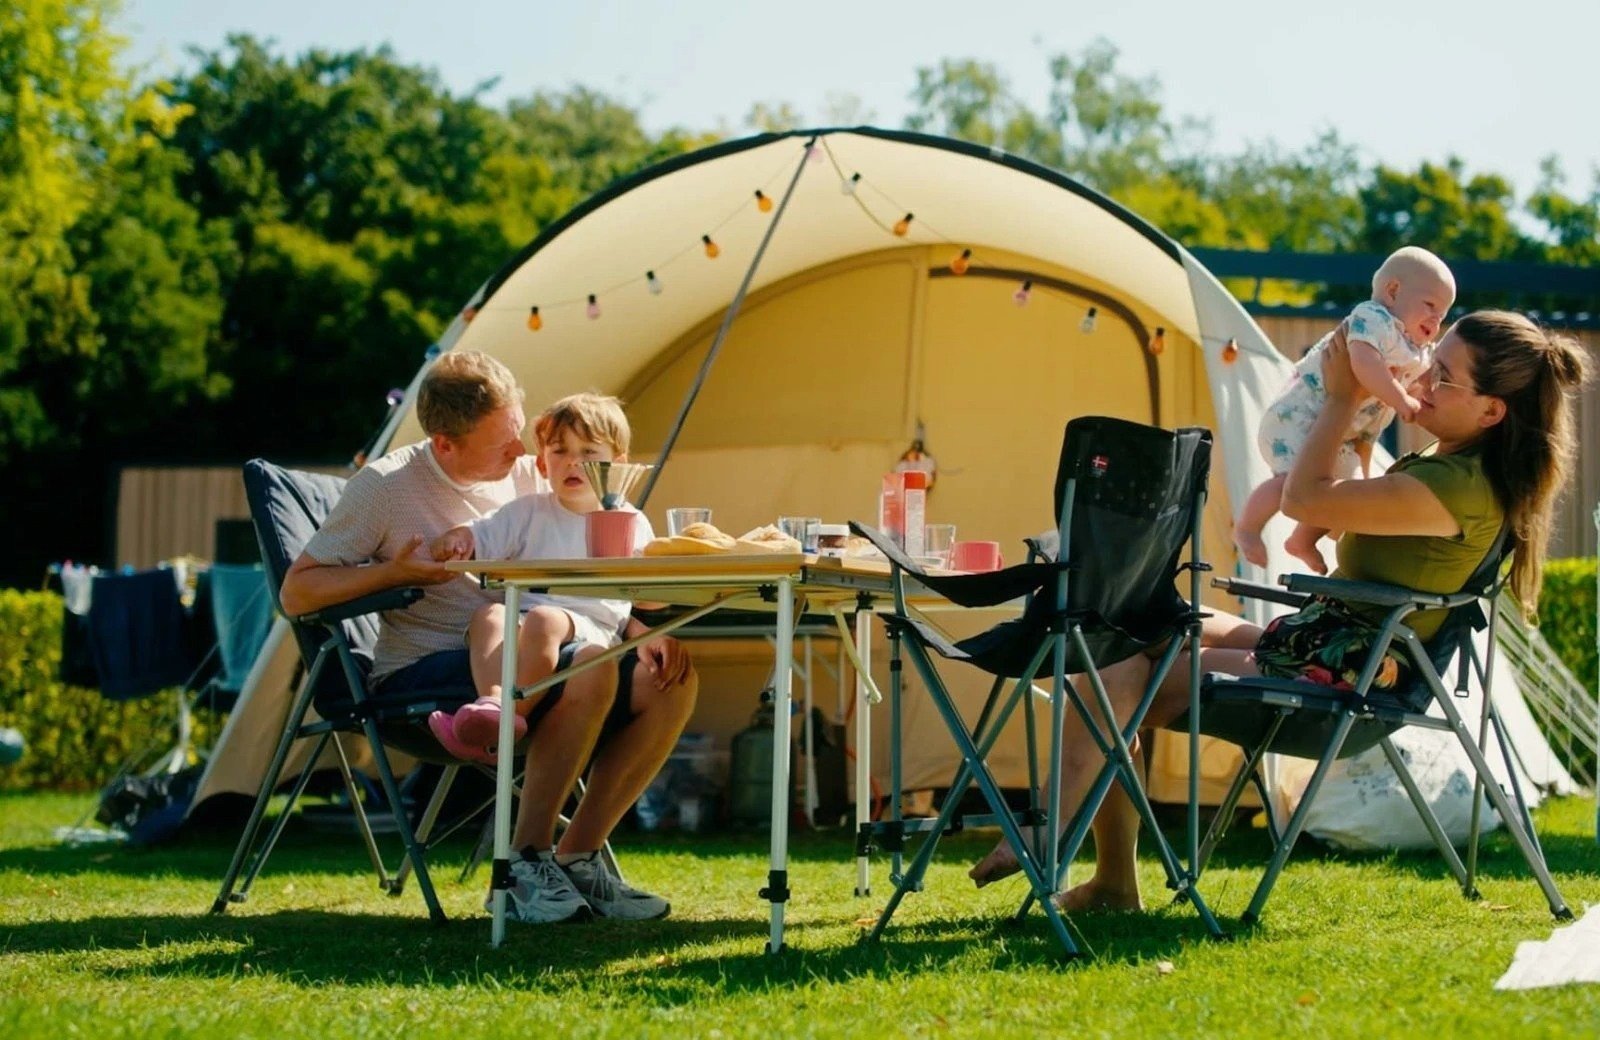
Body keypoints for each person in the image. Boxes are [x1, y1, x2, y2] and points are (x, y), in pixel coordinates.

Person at [970, 309, 1589, 911]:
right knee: (1121, 631)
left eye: (1444, 377)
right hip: (1318, 641)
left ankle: (1066, 849)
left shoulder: (1456, 488)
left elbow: (1303, 496)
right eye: (1433, 362)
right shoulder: (1448, 464)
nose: (1422, 381)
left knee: (1111, 675)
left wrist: (1342, 399)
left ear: (1492, 410)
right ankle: (1086, 864)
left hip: (1346, 674)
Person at [278, 352, 697, 925]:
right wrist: (394, 573)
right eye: (504, 441)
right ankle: (522, 864)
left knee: (670, 680)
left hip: (550, 644)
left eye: (522, 431)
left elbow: (585, 570)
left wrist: (641, 629)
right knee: (588, 663)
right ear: (447, 445)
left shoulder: (534, 474)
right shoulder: (385, 487)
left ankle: (578, 856)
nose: (525, 452)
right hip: (430, 666)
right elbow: (296, 594)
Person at [424, 392, 654, 764]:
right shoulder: (529, 511)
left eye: (590, 452)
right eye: (560, 451)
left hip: (592, 629)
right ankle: (494, 702)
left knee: (545, 619)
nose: (573, 462)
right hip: (526, 620)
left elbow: (650, 594)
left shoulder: (629, 520)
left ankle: (508, 721)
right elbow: (483, 534)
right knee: (489, 616)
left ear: (620, 464)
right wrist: (459, 538)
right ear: (543, 465)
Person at [1235, 247, 1456, 574]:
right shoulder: (1373, 319)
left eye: (1443, 314)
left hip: (1344, 432)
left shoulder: (1415, 347)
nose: (1436, 320)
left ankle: (1301, 540)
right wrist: (1400, 399)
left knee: (1341, 495)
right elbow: (1364, 364)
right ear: (1393, 292)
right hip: (1301, 417)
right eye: (1430, 306)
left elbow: (1421, 378)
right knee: (1292, 481)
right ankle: (1248, 528)